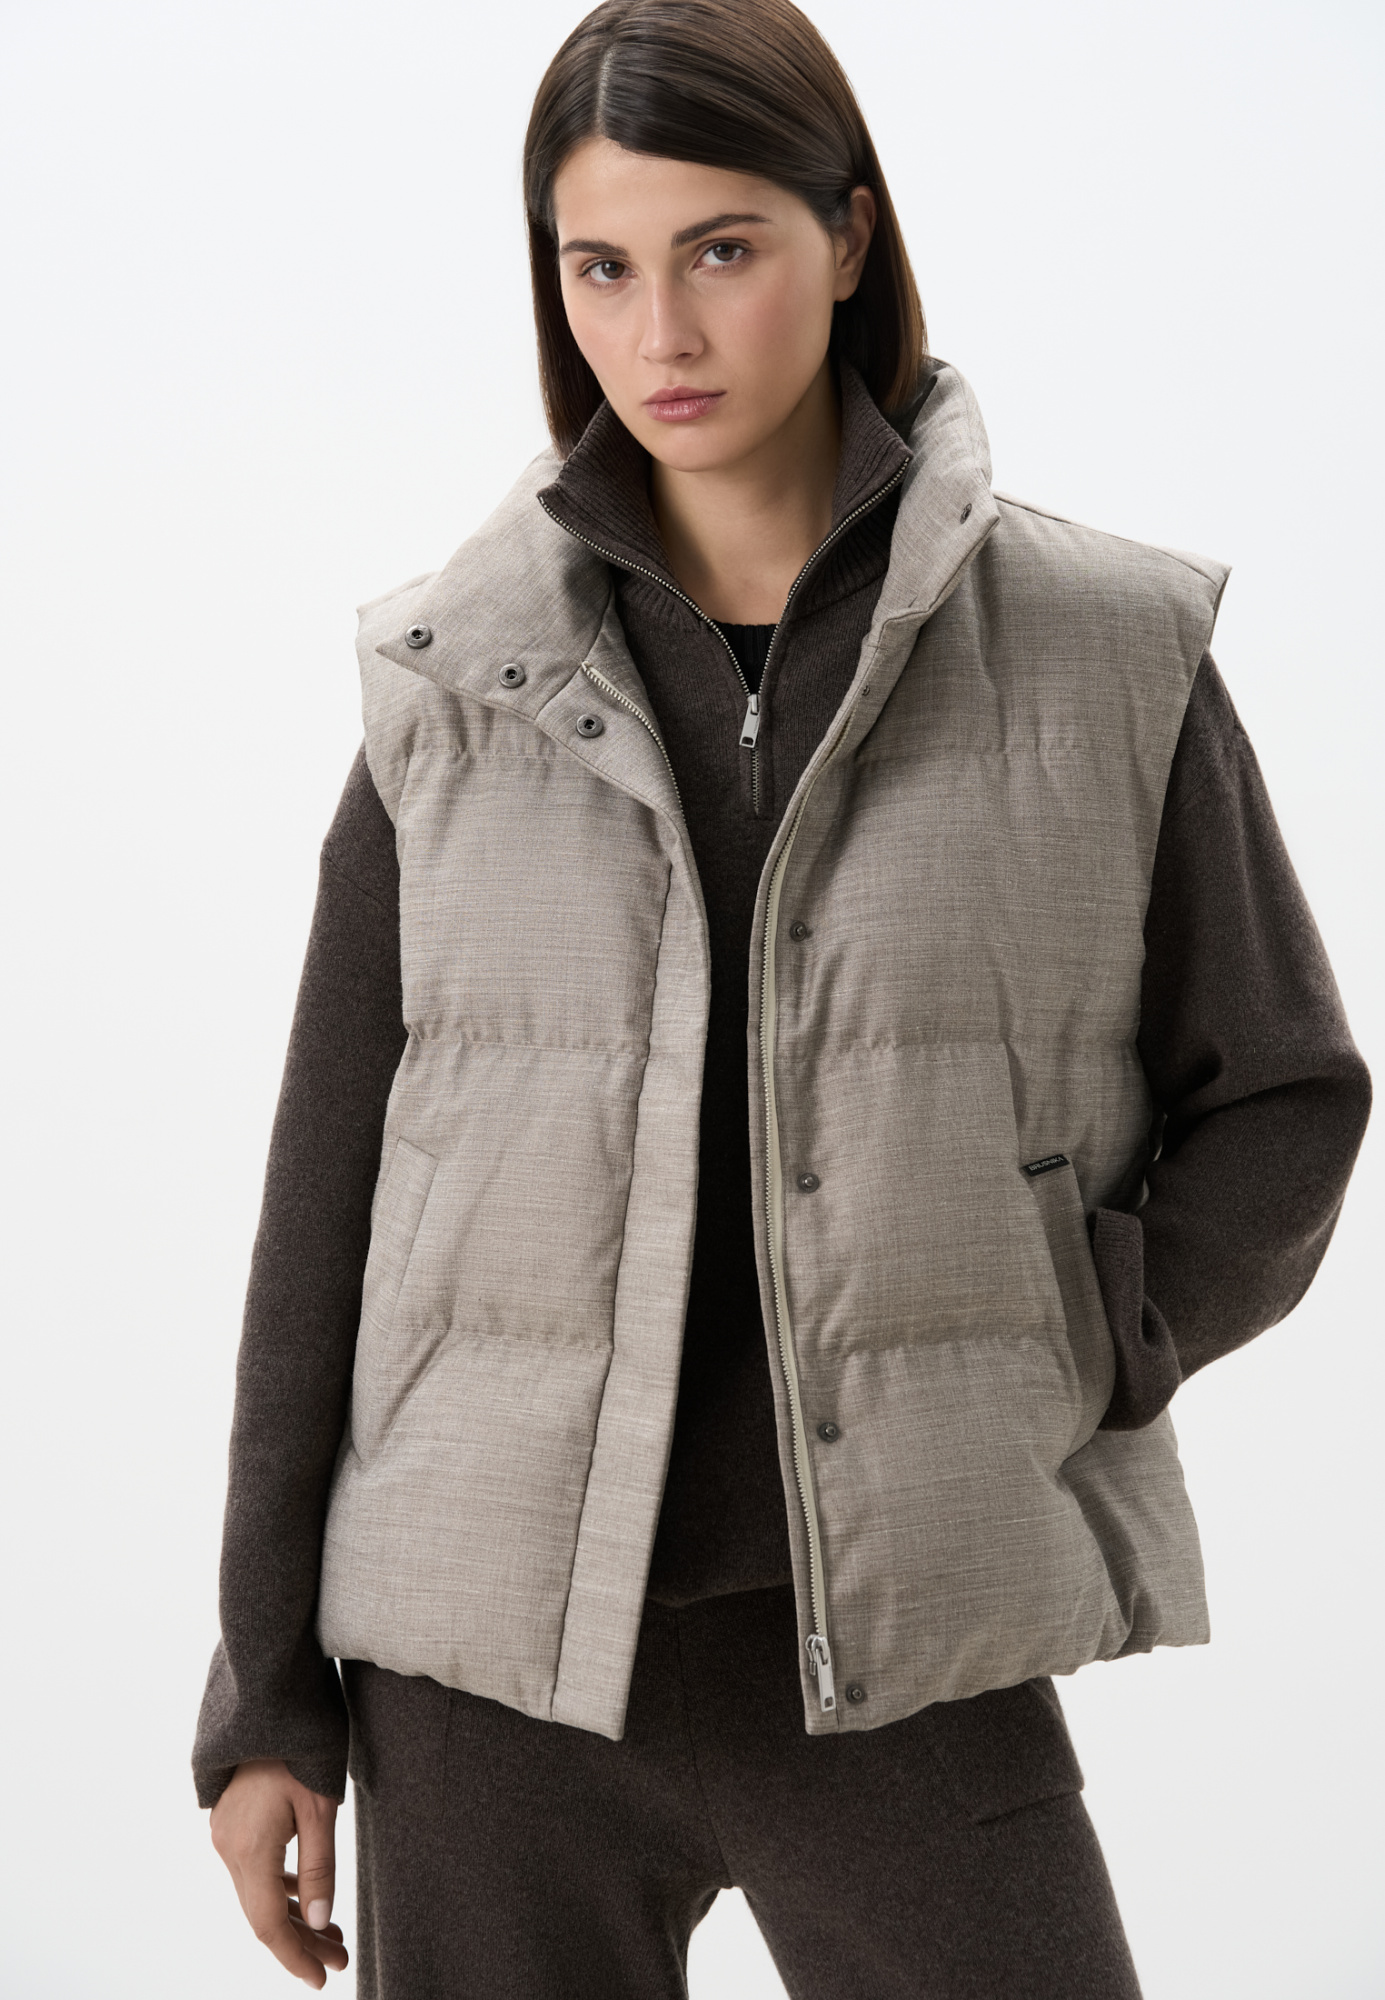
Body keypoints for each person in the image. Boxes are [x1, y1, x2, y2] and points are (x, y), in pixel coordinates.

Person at [193, 2, 1371, 1993]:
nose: (660, 331)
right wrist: (266, 1692)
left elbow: (1283, 1093)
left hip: (905, 1655)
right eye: (600, 267)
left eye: (720, 249)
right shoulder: (452, 684)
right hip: (481, 1686)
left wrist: (1086, 1321)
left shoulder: (1105, 651)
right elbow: (326, 1211)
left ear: (846, 234)